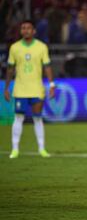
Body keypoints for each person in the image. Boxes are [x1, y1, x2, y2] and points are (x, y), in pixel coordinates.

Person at [4, 20, 55, 159]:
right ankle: (15, 149)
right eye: (23, 28)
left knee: (37, 118)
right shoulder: (14, 48)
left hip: (37, 89)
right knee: (18, 117)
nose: (25, 30)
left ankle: (42, 149)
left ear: (34, 31)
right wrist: (7, 87)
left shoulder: (41, 47)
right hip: (20, 89)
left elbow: (47, 66)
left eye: (28, 28)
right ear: (21, 31)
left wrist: (51, 85)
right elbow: (10, 69)